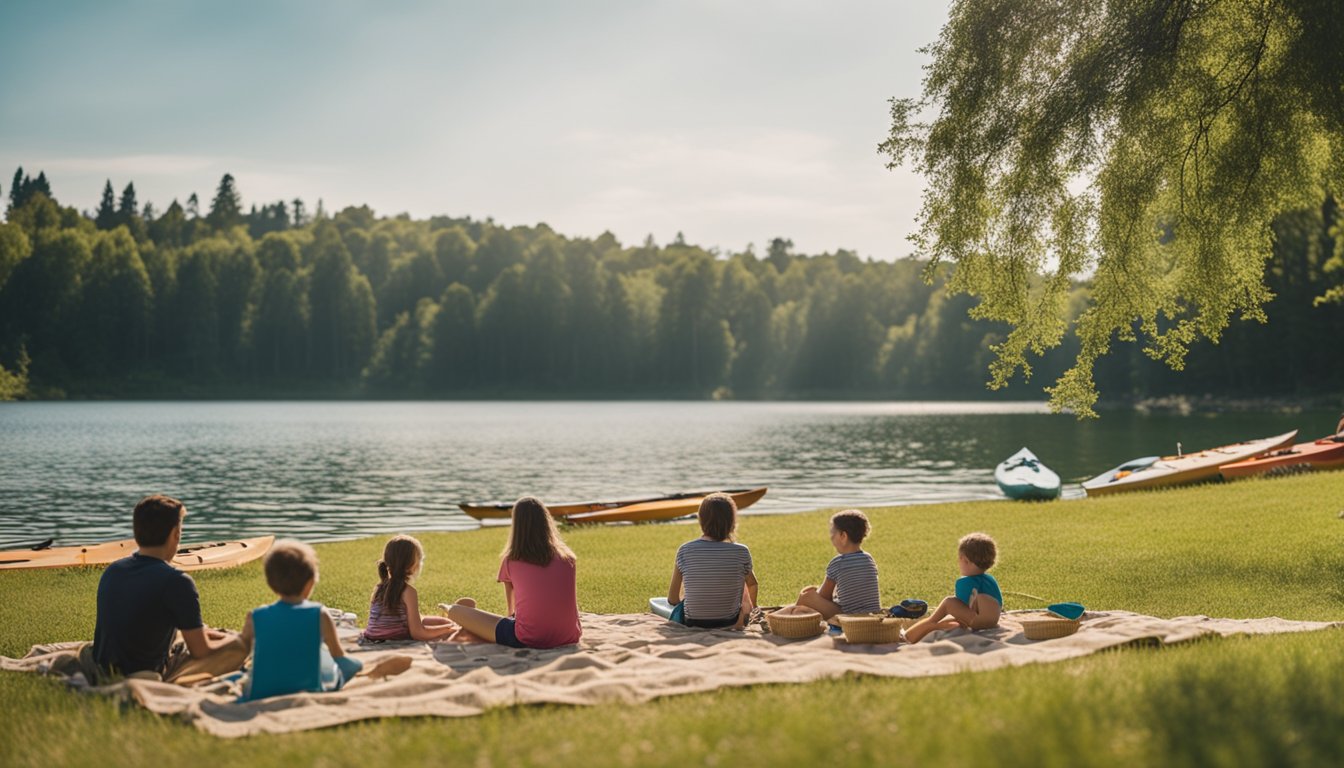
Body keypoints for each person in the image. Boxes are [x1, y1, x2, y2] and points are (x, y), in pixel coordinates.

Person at [90, 495, 248, 683]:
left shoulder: (114, 570)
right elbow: (200, 651)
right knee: (239, 648)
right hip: (144, 675)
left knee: (205, 635)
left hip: (103, 668)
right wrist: (245, 638)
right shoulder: (177, 581)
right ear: (175, 534)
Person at [442, 498, 582, 649]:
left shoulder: (511, 560)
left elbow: (511, 610)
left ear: (517, 525)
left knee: (457, 611)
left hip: (528, 638)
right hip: (570, 636)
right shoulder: (569, 558)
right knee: (478, 617)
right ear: (546, 521)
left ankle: (451, 610)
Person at [237, 540, 364, 700]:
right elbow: (339, 657)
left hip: (260, 691)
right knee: (352, 665)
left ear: (270, 583)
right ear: (310, 582)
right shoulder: (319, 614)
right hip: (310, 689)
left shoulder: (255, 617)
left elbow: (240, 654)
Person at [666, 492, 759, 630]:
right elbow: (753, 584)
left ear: (701, 520)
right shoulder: (741, 552)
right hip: (729, 621)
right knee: (743, 583)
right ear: (732, 523)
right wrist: (753, 609)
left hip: (692, 621)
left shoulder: (685, 550)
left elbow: (672, 600)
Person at [361, 534, 466, 642]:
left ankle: (449, 624)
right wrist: (449, 629)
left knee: (443, 623)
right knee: (448, 632)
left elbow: (411, 618)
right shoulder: (408, 592)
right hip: (392, 639)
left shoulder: (379, 587)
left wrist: (444, 624)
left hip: (373, 636)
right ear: (413, 564)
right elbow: (418, 634)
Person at [903, 532, 1003, 644]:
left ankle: (928, 624)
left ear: (964, 560)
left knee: (949, 602)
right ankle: (931, 624)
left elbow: (963, 607)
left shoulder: (965, 582)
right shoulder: (990, 579)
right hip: (993, 620)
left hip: (976, 621)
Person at [795, 509, 881, 620]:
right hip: (872, 616)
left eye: (832, 533)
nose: (831, 537)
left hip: (848, 618)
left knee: (807, 596)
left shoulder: (838, 563)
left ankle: (787, 618)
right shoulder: (869, 559)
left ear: (843, 536)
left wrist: (815, 593)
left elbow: (824, 596)